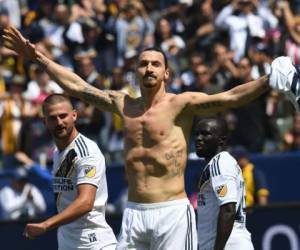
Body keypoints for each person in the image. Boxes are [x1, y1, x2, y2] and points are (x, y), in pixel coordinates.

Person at [3, 26, 300, 249]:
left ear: (166, 74)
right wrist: (36, 56)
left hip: (172, 211)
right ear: (136, 71)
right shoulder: (123, 104)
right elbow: (79, 87)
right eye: (143, 64)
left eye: (155, 64)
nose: (148, 68)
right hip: (134, 213)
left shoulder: (181, 104)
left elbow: (229, 97)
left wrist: (268, 80)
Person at [23, 94, 117, 250]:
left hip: (93, 241)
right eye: (53, 118)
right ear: (44, 122)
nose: (59, 122)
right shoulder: (57, 152)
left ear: (74, 115)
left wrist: (46, 224)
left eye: (63, 116)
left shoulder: (86, 151)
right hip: (67, 240)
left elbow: (86, 203)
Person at [195, 118, 254, 250]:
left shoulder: (220, 163)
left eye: (205, 134)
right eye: (197, 134)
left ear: (222, 140)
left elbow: (228, 210)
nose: (198, 138)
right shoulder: (220, 163)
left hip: (229, 245)